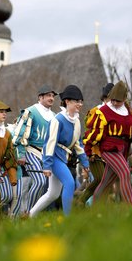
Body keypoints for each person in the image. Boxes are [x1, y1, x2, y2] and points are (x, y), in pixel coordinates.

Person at [84, 81, 132, 204]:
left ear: (124, 99)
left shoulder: (130, 113)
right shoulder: (103, 111)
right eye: (112, 100)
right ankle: (130, 209)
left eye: (117, 101)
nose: (114, 103)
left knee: (106, 182)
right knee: (124, 173)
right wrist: (89, 150)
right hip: (109, 148)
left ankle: (94, 210)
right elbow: (95, 132)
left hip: (124, 149)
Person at [30, 85, 89, 217]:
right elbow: (49, 144)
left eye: (81, 101)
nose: (80, 104)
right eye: (76, 101)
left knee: (52, 194)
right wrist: (47, 165)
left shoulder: (77, 121)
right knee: (69, 182)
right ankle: (68, 218)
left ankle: (30, 215)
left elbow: (78, 144)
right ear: (67, 102)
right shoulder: (58, 119)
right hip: (54, 157)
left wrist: (85, 163)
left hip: (63, 158)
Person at [12, 85, 57, 213]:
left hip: (47, 154)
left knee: (47, 187)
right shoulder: (30, 112)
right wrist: (20, 153)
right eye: (48, 95)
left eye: (53, 96)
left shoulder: (54, 116)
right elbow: (19, 133)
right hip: (31, 151)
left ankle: (34, 213)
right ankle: (29, 212)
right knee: (40, 182)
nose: (51, 98)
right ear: (40, 97)